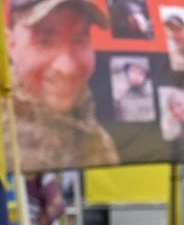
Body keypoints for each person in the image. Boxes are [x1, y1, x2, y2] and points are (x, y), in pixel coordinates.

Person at [8, 0, 120, 171]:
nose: (66, 68)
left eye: (79, 40)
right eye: (45, 42)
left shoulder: (100, 143)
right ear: (11, 45)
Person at [113, 58, 155, 122]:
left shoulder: (149, 98)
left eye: (140, 74)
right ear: (127, 72)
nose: (135, 76)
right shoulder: (119, 96)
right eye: (133, 71)